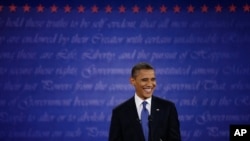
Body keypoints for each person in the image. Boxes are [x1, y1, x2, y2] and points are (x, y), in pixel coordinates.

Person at [108, 62, 181, 141]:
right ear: (133, 81)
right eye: (144, 80)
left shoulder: (168, 108)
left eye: (153, 79)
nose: (150, 84)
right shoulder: (120, 112)